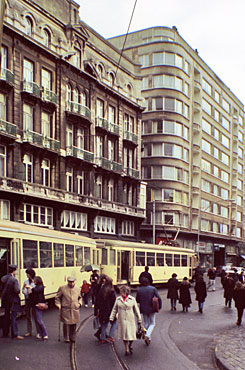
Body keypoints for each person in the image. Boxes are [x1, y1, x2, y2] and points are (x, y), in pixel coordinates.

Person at [110, 285, 142, 356]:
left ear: (126, 292)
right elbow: (114, 309)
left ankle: (130, 345)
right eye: (120, 292)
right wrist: (111, 318)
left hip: (130, 320)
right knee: (124, 335)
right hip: (122, 320)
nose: (121, 293)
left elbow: (136, 310)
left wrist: (139, 319)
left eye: (122, 292)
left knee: (132, 335)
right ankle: (126, 349)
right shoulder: (118, 299)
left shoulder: (132, 299)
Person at [55, 276, 82, 343]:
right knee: (66, 323)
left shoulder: (78, 288)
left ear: (75, 281)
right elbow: (57, 298)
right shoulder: (62, 288)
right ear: (68, 281)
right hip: (66, 308)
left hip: (74, 308)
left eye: (72, 282)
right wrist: (58, 304)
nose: (71, 283)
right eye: (70, 282)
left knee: (74, 324)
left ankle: (72, 337)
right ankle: (66, 337)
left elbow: (80, 297)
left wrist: (79, 303)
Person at [136, 277, 162, 345]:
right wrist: (159, 306)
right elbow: (159, 298)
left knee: (146, 323)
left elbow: (137, 300)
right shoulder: (153, 288)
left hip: (143, 308)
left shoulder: (139, 290)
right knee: (152, 323)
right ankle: (147, 335)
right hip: (151, 308)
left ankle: (148, 338)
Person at [1, 264, 24, 339]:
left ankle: (5, 333)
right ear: (14, 271)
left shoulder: (3, 278)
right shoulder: (14, 280)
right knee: (13, 317)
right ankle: (15, 334)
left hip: (5, 300)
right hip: (13, 300)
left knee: (6, 315)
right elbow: (17, 290)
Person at [94, 275, 116, 343]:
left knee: (104, 323)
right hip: (110, 310)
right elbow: (114, 302)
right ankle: (110, 335)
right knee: (114, 322)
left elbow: (97, 300)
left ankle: (103, 337)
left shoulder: (101, 290)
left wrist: (96, 310)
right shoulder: (111, 291)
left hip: (102, 310)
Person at [27, 276, 48, 340]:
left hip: (39, 305)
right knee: (37, 320)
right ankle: (41, 334)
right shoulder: (36, 287)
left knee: (39, 320)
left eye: (35, 280)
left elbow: (36, 290)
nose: (34, 281)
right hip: (35, 305)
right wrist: (28, 290)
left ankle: (45, 334)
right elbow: (32, 295)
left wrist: (30, 287)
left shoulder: (41, 287)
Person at [22, 268, 37, 337]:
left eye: (27, 274)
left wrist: (29, 290)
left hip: (33, 300)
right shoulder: (25, 282)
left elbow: (36, 290)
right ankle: (29, 331)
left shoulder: (36, 281)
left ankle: (38, 332)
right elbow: (23, 290)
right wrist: (26, 292)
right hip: (27, 299)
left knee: (36, 316)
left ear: (30, 274)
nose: (26, 275)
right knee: (28, 316)